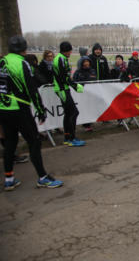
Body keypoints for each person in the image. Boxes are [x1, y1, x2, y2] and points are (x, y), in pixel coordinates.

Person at [0, 36, 63, 190]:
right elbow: (31, 89)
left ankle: (9, 179)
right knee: (34, 142)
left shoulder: (2, 61)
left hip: (3, 109)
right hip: (19, 108)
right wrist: (41, 110)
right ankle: (42, 177)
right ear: (24, 48)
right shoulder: (22, 63)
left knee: (10, 143)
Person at [53, 41, 86, 147]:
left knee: (68, 113)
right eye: (70, 50)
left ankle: (68, 137)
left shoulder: (61, 58)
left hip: (63, 88)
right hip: (62, 89)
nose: (71, 52)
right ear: (66, 50)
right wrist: (75, 86)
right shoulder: (60, 59)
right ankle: (71, 138)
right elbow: (64, 77)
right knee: (73, 112)